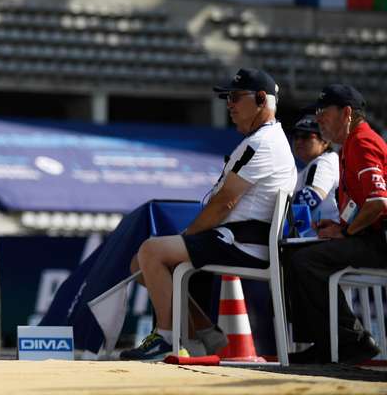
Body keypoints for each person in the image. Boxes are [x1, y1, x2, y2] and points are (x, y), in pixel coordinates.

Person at [120, 68, 295, 361]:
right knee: (141, 263)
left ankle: (165, 339)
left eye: (236, 97)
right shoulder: (264, 139)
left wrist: (187, 236)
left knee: (151, 251)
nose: (229, 104)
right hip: (238, 239)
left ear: (262, 99)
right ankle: (204, 335)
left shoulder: (263, 143)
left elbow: (223, 204)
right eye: (228, 98)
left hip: (242, 242)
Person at [285, 84, 387, 364]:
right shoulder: (352, 144)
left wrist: (345, 231)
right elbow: (366, 203)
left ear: (347, 113)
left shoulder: (362, 141)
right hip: (373, 237)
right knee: (299, 256)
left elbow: (379, 202)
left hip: (380, 241)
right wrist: (339, 224)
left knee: (305, 260)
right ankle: (330, 342)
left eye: (323, 112)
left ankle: (348, 342)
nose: (318, 119)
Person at [290, 114, 339, 224]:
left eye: (306, 136)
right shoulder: (319, 163)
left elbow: (311, 198)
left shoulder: (324, 162)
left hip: (322, 239)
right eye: (296, 136)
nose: (298, 141)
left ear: (325, 141)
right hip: (318, 237)